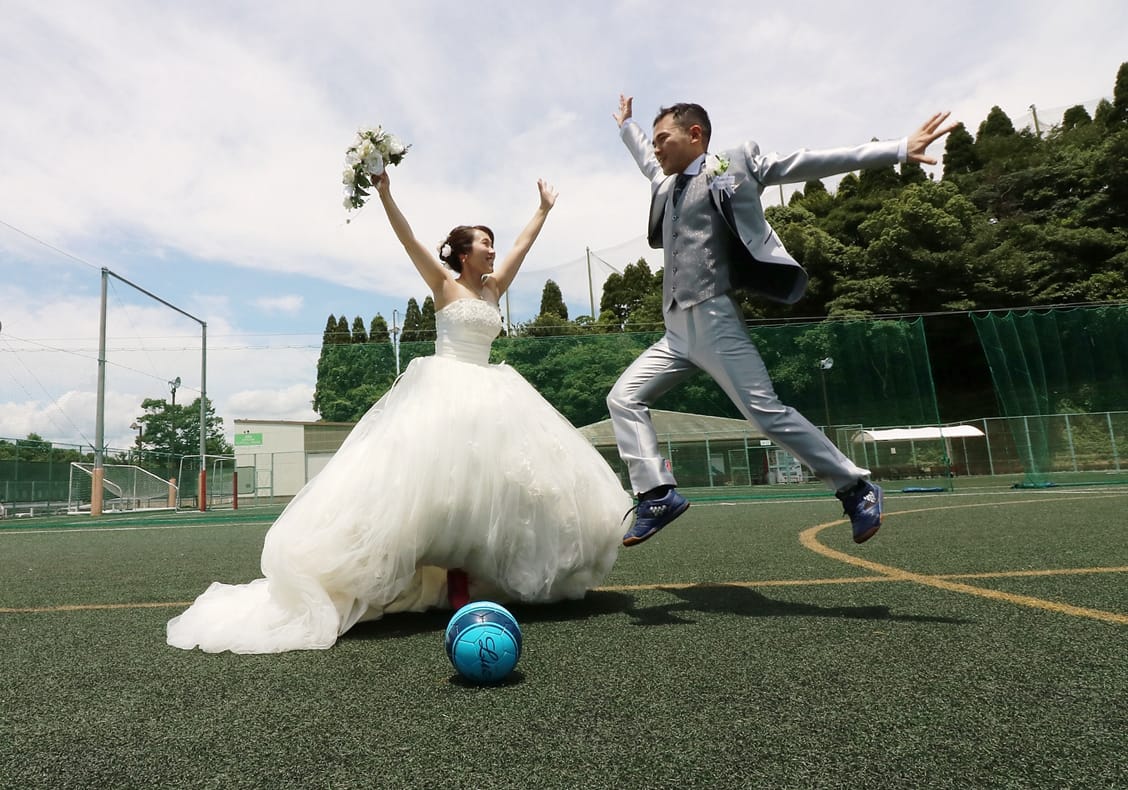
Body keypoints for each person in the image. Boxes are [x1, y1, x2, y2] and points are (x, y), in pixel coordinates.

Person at [167, 173, 631, 654]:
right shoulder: (443, 285)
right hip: (445, 393)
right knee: (440, 495)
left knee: (498, 493)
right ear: (463, 254)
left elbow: (523, 245)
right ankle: (441, 582)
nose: (493, 250)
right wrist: (386, 193)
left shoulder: (495, 289)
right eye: (484, 243)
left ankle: (475, 581)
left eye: (493, 243)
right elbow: (408, 239)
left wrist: (544, 209)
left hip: (493, 396)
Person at [608, 95, 955, 547]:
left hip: (714, 318)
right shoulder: (664, 184)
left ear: (694, 135)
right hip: (674, 331)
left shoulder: (731, 165)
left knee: (767, 415)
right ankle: (657, 494)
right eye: (653, 142)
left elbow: (805, 162)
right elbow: (643, 158)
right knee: (624, 397)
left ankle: (855, 487)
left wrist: (898, 149)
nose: (656, 149)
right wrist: (627, 127)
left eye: (662, 139)